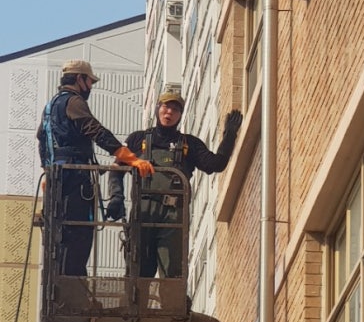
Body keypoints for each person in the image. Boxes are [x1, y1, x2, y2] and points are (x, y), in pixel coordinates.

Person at [106, 89, 243, 278]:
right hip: (143, 213)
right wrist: (116, 197)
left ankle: (172, 306)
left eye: (175, 109)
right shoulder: (138, 140)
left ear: (180, 115)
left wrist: (229, 136)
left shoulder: (190, 144)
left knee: (172, 275)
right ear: (157, 109)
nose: (169, 112)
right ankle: (133, 306)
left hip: (173, 217)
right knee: (137, 272)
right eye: (165, 107)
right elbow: (117, 169)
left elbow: (215, 164)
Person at [37, 60, 155, 276]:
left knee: (61, 239)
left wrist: (48, 171)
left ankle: (66, 287)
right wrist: (129, 158)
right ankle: (75, 290)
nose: (90, 86)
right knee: (79, 237)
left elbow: (42, 140)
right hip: (75, 184)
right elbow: (96, 131)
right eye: (89, 81)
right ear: (79, 79)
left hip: (58, 183)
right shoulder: (74, 102)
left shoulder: (50, 106)